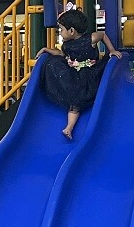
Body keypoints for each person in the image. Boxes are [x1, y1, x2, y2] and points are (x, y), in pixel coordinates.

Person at [36, 8, 121, 140]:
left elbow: (102, 35)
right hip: (75, 74)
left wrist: (112, 50)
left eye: (61, 29)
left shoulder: (90, 39)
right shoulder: (66, 45)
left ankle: (69, 127)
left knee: (76, 99)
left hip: (90, 74)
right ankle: (69, 127)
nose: (60, 32)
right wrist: (47, 49)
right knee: (52, 64)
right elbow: (62, 55)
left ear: (71, 31)